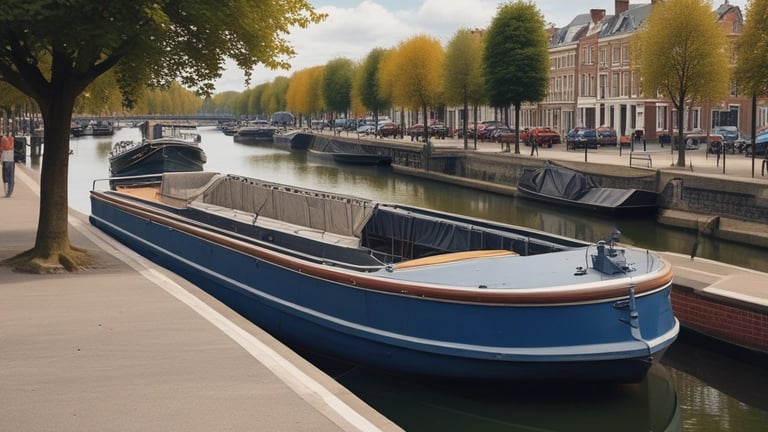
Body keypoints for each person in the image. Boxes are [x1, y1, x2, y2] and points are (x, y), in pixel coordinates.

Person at [1, 131, 15, 197]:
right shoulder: (11, 140)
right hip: (11, 160)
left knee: (5, 176)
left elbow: (2, 150)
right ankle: (9, 191)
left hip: (5, 160)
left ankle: (6, 191)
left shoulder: (3, 140)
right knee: (10, 176)